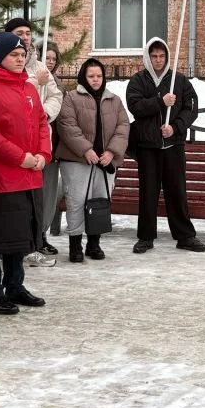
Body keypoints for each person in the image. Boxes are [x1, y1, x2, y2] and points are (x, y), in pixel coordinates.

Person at [0, 32, 50, 314]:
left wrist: (43, 154)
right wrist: (20, 158)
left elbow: (41, 123)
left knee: (19, 237)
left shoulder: (29, 89)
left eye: (22, 55)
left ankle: (15, 285)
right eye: (13, 55)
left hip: (29, 177)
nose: (19, 60)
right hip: (0, 179)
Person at [125, 37, 205, 254]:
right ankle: (146, 237)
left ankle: (185, 236)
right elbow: (135, 106)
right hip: (148, 146)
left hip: (173, 146)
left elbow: (191, 108)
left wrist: (175, 127)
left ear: (167, 57)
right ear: (148, 58)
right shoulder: (138, 81)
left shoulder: (179, 80)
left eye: (161, 56)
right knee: (148, 192)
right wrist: (161, 101)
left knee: (177, 191)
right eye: (154, 56)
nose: (158, 60)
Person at [56, 58, 129, 264]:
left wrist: (112, 152)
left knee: (99, 201)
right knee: (76, 202)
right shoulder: (71, 98)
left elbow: (123, 127)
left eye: (99, 76)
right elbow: (67, 126)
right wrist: (86, 149)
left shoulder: (114, 100)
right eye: (91, 76)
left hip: (104, 162)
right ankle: (75, 245)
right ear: (83, 77)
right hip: (77, 161)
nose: (96, 80)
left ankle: (94, 244)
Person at [2, 18, 61, 264]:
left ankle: (37, 239)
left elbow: (55, 96)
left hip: (37, 140)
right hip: (14, 143)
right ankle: (15, 246)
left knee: (38, 198)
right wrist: (37, 82)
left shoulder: (40, 66)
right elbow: (15, 94)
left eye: (28, 33)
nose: (25, 37)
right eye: (19, 33)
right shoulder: (6, 65)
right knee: (17, 201)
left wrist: (44, 113)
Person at [41, 42, 65, 239]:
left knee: (49, 195)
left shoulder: (58, 84)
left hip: (53, 147)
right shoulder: (32, 79)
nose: (50, 62)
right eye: (47, 58)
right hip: (34, 148)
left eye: (53, 59)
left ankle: (42, 234)